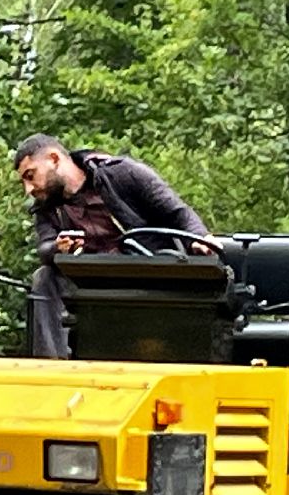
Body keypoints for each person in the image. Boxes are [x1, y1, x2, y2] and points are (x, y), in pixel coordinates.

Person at [13, 134, 211, 358]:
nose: (28, 189)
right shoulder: (46, 207)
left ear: (54, 159)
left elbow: (178, 213)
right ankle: (51, 364)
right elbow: (45, 248)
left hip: (145, 269)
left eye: (31, 176)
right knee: (45, 277)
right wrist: (58, 247)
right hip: (91, 281)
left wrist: (200, 238)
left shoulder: (122, 173)